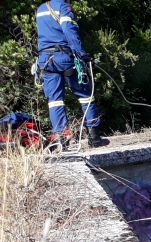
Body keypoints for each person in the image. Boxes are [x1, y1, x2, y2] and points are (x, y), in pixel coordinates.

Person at [35, 0, 107, 149]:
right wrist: (81, 54)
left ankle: (61, 139)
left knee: (54, 100)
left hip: (46, 60)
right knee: (85, 94)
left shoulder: (40, 9)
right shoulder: (63, 6)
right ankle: (94, 136)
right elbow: (69, 30)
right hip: (64, 57)